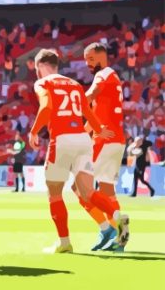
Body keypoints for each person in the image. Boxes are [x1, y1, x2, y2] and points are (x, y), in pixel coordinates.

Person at [29, 49, 129, 254]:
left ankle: (64, 242)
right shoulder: (74, 84)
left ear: (40, 66)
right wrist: (100, 130)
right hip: (83, 141)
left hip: (62, 139)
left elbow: (46, 106)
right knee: (88, 191)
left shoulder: (43, 83)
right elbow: (88, 111)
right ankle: (118, 216)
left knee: (54, 192)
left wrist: (33, 131)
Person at [80, 43, 128, 251]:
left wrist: (70, 102)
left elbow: (87, 97)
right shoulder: (113, 78)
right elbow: (95, 114)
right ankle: (120, 238)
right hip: (116, 139)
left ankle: (106, 227)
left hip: (103, 139)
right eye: (86, 60)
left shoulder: (104, 75)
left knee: (79, 188)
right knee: (107, 190)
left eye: (91, 59)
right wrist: (81, 133)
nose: (87, 64)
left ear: (102, 56)